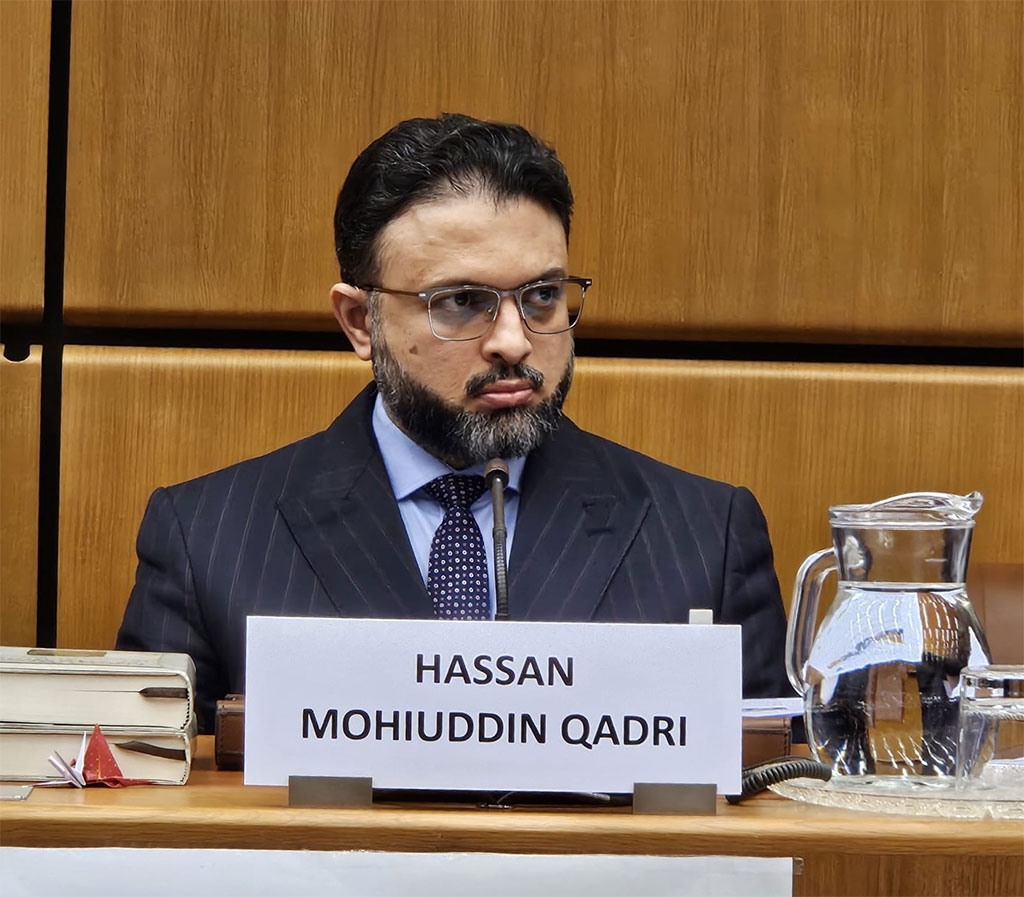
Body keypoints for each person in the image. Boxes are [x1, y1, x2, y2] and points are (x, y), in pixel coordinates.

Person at [118, 114, 790, 731]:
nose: (513, 342)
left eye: (543, 296)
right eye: (462, 301)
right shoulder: (207, 538)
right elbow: (151, 808)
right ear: (361, 321)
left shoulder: (706, 538)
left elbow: (769, 807)